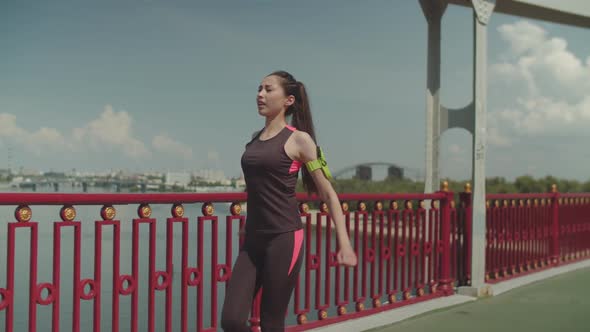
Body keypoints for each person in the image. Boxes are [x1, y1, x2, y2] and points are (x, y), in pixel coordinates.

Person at [221, 70, 357, 332]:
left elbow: (328, 193)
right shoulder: (253, 141)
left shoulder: (300, 140)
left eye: (268, 89)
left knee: (272, 322)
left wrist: (345, 244)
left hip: (283, 239)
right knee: (232, 320)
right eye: (259, 88)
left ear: (288, 100)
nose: (260, 94)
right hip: (253, 240)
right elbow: (257, 189)